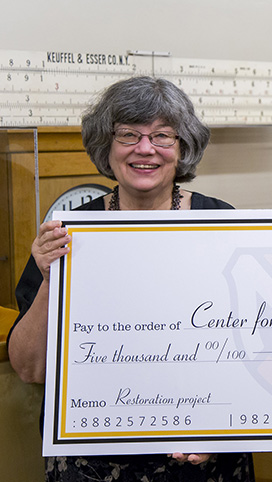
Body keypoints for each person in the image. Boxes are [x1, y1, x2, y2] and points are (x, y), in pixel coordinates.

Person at [7, 76, 254, 482]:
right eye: (128, 135)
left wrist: (222, 425)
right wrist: (53, 280)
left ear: (183, 147)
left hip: (199, 453)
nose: (145, 149)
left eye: (162, 136)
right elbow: (30, 368)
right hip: (92, 460)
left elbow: (251, 347)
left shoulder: (221, 223)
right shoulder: (67, 235)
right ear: (107, 147)